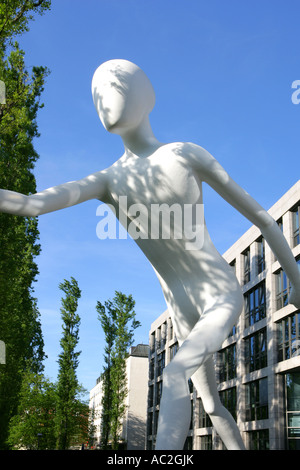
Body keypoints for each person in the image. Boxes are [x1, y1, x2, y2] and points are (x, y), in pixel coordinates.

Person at [1, 59, 299, 450]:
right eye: (97, 98)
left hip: (218, 292)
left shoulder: (184, 154)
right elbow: (30, 204)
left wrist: (295, 280)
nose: (104, 102)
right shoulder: (107, 180)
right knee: (211, 404)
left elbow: (263, 219)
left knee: (175, 374)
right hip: (180, 310)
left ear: (147, 97)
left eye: (115, 89)